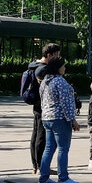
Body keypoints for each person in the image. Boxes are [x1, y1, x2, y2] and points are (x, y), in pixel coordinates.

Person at [38, 55, 80, 183]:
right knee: (63, 148)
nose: (65, 68)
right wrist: (73, 120)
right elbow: (66, 103)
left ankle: (43, 177)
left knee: (49, 148)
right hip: (60, 118)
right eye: (63, 66)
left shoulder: (45, 81)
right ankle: (63, 178)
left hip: (47, 117)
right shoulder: (60, 82)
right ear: (58, 68)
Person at [27, 44, 60, 173]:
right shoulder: (43, 69)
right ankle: (41, 166)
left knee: (36, 134)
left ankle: (36, 165)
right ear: (50, 55)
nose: (58, 58)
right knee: (41, 135)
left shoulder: (34, 65)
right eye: (56, 55)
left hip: (37, 103)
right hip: (43, 104)